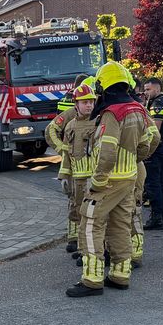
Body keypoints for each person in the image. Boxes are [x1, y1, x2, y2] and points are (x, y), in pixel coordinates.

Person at [67, 62, 158, 297]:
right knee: (120, 225)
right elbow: (152, 139)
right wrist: (135, 158)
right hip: (129, 177)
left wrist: (98, 181)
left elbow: (107, 152)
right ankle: (120, 275)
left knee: (90, 223)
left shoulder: (112, 113)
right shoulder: (137, 109)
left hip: (109, 180)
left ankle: (92, 280)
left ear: (103, 86)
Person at [48, 77, 98, 253]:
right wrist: (63, 171)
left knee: (93, 214)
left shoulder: (100, 120)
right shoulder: (70, 123)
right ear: (76, 103)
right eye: (85, 102)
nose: (89, 105)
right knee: (76, 209)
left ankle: (89, 248)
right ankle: (77, 242)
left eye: (91, 101)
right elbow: (53, 132)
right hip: (77, 177)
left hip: (95, 177)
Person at [142, 77, 163, 230]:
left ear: (157, 88)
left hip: (156, 147)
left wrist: (147, 149)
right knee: (161, 183)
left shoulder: (157, 104)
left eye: (148, 89)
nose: (145, 92)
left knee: (153, 184)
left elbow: (154, 131)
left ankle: (156, 219)